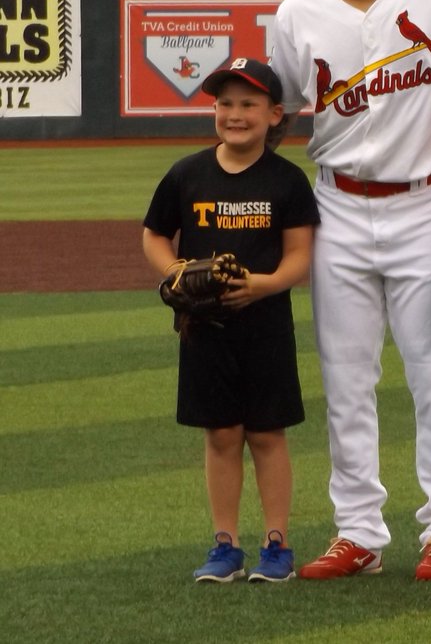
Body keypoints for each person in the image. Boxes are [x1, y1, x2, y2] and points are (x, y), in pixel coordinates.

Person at [268, 0, 431, 581]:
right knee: (347, 377)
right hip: (335, 205)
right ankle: (358, 531)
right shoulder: (298, 13)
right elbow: (281, 111)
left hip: (422, 202)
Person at [142, 58, 319, 583]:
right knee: (221, 434)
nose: (235, 114)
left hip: (265, 327)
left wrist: (261, 285)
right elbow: (153, 234)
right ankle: (225, 544)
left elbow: (299, 256)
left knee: (267, 434)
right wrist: (174, 270)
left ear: (274, 113)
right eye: (225, 103)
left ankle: (277, 544)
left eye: (248, 104)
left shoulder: (287, 180)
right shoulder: (187, 173)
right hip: (205, 328)